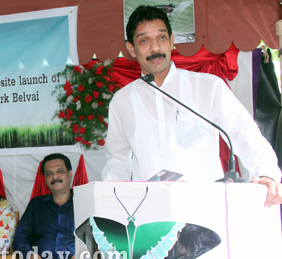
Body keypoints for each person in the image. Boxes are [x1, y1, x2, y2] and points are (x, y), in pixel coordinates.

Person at [102, 5, 282, 206]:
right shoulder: (122, 100)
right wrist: (110, 196)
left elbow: (244, 135)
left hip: (204, 206)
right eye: (144, 41)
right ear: (131, 48)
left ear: (171, 41)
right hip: (149, 211)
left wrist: (266, 173)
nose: (155, 48)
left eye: (161, 38)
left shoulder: (208, 86)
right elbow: (118, 158)